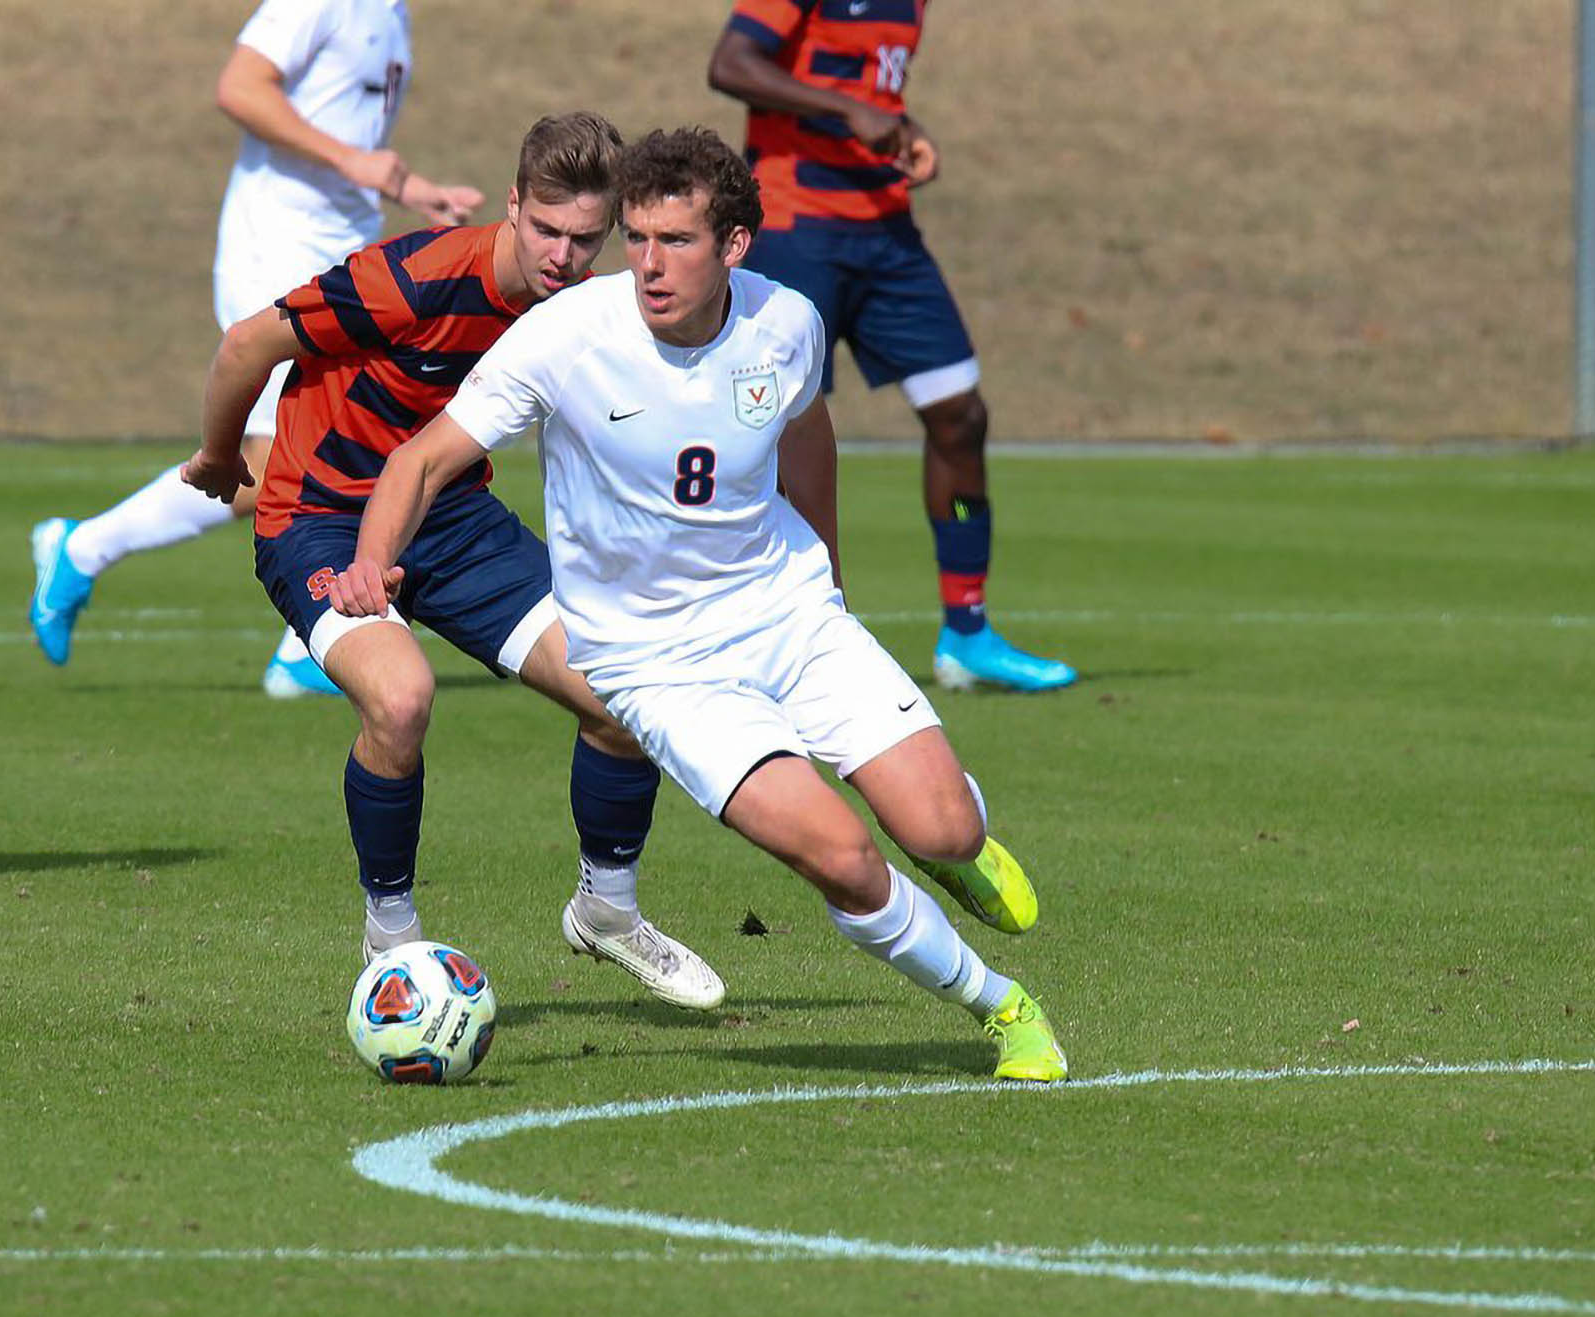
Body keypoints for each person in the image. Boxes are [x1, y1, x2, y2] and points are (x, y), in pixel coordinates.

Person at [336, 127, 1065, 1080]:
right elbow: (423, 456)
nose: (647, 264)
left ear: (734, 247)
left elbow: (808, 430)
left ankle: (958, 849)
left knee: (942, 828)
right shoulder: (565, 338)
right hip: (656, 666)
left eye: (675, 241)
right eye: (635, 238)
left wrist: (830, 575)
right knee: (842, 857)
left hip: (788, 616)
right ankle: (1004, 1008)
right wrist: (371, 561)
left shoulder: (786, 324)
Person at [177, 113, 724, 1009]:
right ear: (512, 205)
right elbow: (248, 342)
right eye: (546, 230)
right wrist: (215, 453)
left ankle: (608, 909)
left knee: (624, 693)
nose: (563, 256)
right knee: (401, 700)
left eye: (588, 240)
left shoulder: (590, 308)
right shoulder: (416, 277)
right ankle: (390, 936)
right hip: (317, 517)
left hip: (452, 517)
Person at [28, 0, 482, 698]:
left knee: (373, 434)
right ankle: (86, 549)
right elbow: (239, 86)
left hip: (340, 244)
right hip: (277, 240)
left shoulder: (394, 12)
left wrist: (414, 190)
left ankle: (311, 638)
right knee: (276, 458)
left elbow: (352, 129)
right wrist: (354, 162)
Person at [708, 1, 1076, 693]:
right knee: (773, 433)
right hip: (794, 225)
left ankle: (967, 633)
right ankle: (766, 639)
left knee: (961, 417)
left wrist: (901, 132)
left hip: (885, 233)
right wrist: (847, 110)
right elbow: (730, 64)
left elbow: (872, 95)